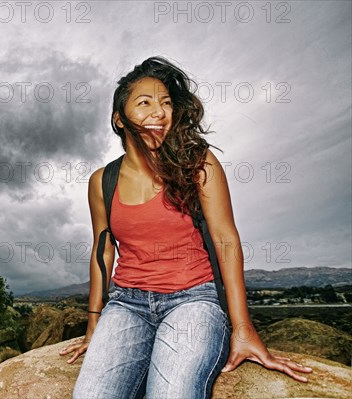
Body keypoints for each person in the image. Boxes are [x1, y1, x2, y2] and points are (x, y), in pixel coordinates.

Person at [58, 56, 313, 399]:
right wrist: (94, 324)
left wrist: (242, 327)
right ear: (119, 119)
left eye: (165, 103)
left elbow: (226, 239)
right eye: (144, 102)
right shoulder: (102, 181)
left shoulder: (198, 163)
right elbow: (103, 250)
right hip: (126, 304)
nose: (159, 113)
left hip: (193, 300)